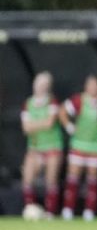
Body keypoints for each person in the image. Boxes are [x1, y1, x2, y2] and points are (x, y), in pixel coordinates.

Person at [60, 75, 97, 220]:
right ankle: (68, 209)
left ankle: (89, 211)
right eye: (90, 84)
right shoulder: (79, 100)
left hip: (96, 146)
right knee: (73, 178)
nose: (92, 87)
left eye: (95, 85)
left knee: (93, 179)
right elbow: (62, 111)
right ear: (86, 86)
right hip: (79, 144)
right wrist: (69, 126)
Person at [20, 72, 62, 218]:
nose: (41, 87)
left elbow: (50, 123)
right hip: (35, 147)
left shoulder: (52, 101)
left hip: (52, 146)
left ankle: (50, 212)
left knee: (51, 180)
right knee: (27, 179)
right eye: (38, 84)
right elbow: (25, 128)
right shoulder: (28, 103)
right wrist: (41, 124)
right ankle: (30, 209)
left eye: (44, 85)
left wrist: (33, 124)